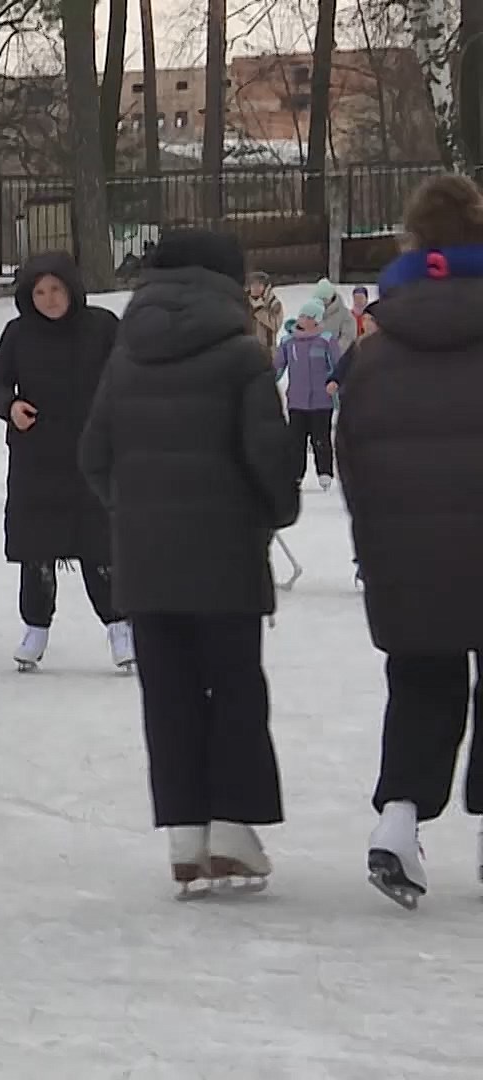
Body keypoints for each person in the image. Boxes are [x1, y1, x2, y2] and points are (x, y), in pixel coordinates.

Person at [79, 227, 301, 897]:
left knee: (168, 694)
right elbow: (270, 459)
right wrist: (271, 512)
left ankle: (184, 834)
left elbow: (94, 456)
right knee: (233, 688)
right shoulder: (241, 357)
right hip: (226, 555)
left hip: (147, 561)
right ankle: (232, 828)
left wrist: (135, 509)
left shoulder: (126, 358)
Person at [336, 173, 483, 909]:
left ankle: (398, 822)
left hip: (410, 553)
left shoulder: (378, 352)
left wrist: (375, 545)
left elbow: (351, 454)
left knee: (422, 681)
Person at [0, 253, 131, 673]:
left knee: (100, 546)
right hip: (37, 455)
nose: (49, 299)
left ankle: (120, 627)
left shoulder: (102, 326)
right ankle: (35, 628)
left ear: (71, 288)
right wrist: (10, 406)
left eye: (56, 289)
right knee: (36, 549)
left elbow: (129, 373)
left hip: (92, 454)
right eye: (40, 291)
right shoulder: (18, 333)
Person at [274, 299, 345, 491]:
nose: (301, 319)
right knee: (296, 441)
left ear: (315, 320)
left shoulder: (326, 340)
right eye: (301, 315)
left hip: (321, 400)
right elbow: (278, 366)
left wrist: (334, 382)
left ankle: (325, 473)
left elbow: (337, 366)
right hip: (297, 400)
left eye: (306, 316)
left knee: (320, 438)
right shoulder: (288, 341)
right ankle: (295, 475)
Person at [310, 277, 359, 343]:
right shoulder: (311, 313)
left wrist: (333, 351)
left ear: (332, 297)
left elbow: (348, 339)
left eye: (325, 299)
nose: (322, 302)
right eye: (319, 299)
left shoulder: (345, 316)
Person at [247, 271, 284, 355]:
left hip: (268, 348)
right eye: (253, 285)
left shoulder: (274, 304)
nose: (256, 288)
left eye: (259, 285)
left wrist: (258, 310)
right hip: (248, 347)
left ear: (265, 286)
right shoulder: (244, 301)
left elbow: (275, 325)